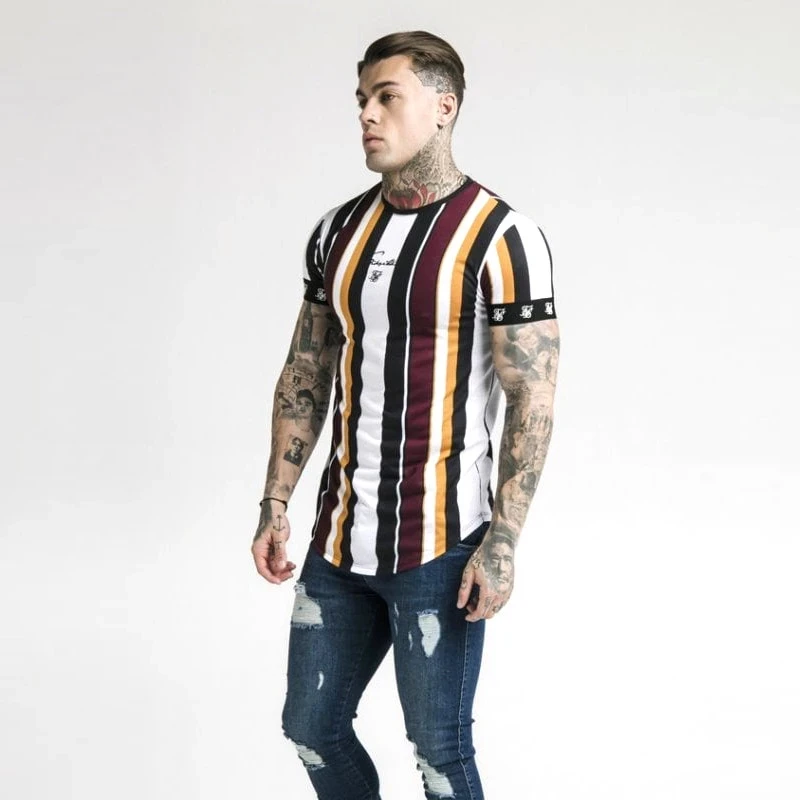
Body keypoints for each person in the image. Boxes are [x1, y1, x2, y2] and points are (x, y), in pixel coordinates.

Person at [252, 30, 560, 800]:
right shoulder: (336, 232)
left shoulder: (503, 237)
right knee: (311, 727)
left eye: (387, 97)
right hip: (338, 541)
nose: (367, 114)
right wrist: (275, 501)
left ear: (444, 106)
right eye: (362, 99)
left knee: (438, 752)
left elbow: (532, 398)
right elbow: (305, 371)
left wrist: (503, 542)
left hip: (441, 546)